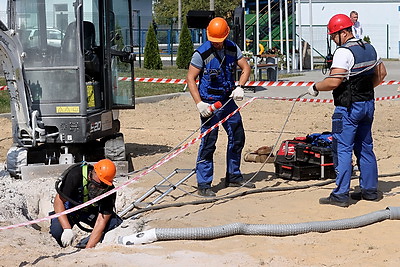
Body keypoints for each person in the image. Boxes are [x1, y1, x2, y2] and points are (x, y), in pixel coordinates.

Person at [307, 14, 387, 207]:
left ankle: (341, 195)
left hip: (348, 108)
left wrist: (316, 87)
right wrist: (364, 91)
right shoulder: (369, 47)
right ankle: (369, 191)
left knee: (342, 149)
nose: (333, 39)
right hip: (367, 104)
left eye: (334, 35)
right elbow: (381, 74)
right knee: (365, 147)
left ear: (343, 33)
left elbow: (334, 81)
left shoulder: (343, 52)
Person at [186, 17, 254, 197]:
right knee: (209, 142)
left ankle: (233, 175)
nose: (216, 44)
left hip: (227, 99)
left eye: (219, 41)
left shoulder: (232, 48)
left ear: (226, 35)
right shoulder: (201, 54)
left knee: (237, 135)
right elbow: (190, 79)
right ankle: (204, 183)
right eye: (213, 41)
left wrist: (240, 86)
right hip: (209, 101)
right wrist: (199, 103)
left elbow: (245, 68)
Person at [50, 159, 123, 248]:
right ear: (93, 172)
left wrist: (88, 250)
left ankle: (85, 244)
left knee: (114, 224)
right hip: (70, 209)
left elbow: (101, 221)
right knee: (57, 232)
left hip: (90, 212)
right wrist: (67, 228)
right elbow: (59, 201)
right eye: (97, 182)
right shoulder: (75, 175)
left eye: (103, 185)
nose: (98, 187)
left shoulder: (109, 191)